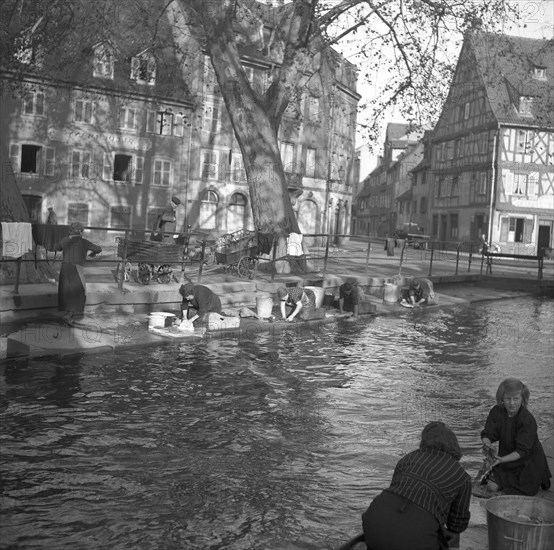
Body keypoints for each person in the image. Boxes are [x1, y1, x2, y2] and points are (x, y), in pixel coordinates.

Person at [362, 421, 471, 550]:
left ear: (424, 441)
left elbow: (397, 493)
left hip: (374, 520)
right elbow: (457, 526)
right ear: (454, 446)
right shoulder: (462, 477)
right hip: (417, 536)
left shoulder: (407, 459)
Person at [480, 378, 551, 496]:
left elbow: (522, 451)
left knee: (524, 488)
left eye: (516, 398)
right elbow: (487, 433)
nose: (512, 403)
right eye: (508, 398)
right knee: (491, 487)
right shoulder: (496, 412)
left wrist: (501, 460)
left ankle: (540, 477)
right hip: (506, 458)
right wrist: (487, 445)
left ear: (523, 399)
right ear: (501, 398)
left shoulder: (527, 420)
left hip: (527, 461)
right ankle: (541, 478)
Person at [55, 222, 101, 325]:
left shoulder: (65, 240)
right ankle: (69, 315)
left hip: (65, 268)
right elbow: (98, 249)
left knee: (66, 292)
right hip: (77, 268)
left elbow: (56, 247)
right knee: (79, 292)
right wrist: (92, 253)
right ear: (80, 231)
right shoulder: (84, 242)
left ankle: (68, 314)